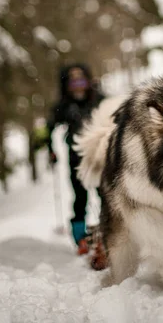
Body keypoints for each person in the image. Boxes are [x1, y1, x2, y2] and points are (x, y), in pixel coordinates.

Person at [47, 63, 105, 255]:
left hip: (99, 158)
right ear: (67, 86)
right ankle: (80, 237)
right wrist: (50, 150)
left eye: (81, 80)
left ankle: (108, 231)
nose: (78, 86)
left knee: (105, 194)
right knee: (80, 198)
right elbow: (48, 128)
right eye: (73, 82)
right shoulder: (63, 106)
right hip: (76, 159)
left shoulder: (99, 100)